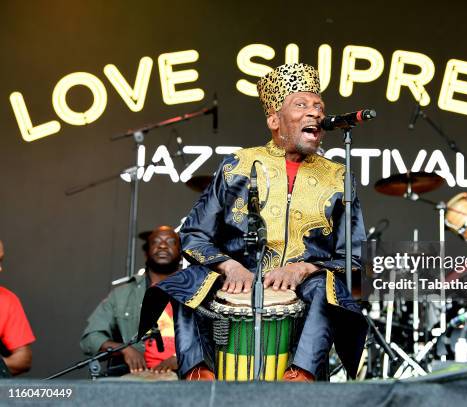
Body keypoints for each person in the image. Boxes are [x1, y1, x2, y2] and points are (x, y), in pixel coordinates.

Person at [139, 63, 368, 382]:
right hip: (238, 278)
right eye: (301, 104)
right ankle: (198, 374)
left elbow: (353, 256)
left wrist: (302, 268)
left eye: (319, 106)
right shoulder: (238, 165)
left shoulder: (339, 178)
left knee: (325, 286)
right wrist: (230, 267)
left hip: (304, 286)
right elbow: (193, 234)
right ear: (275, 119)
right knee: (185, 281)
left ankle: (300, 376)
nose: (314, 112)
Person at [80, 226, 181, 375]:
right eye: (156, 242)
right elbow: (90, 338)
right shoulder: (122, 294)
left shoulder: (200, 290)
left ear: (181, 252)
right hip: (137, 379)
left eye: (170, 241)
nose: (162, 245)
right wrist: (125, 350)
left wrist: (184, 358)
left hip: (189, 379)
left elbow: (216, 340)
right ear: (146, 253)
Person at [0, 239, 35, 376]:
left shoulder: (7, 300)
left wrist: (1, 365)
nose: (0, 268)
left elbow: (24, 358)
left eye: (1, 260)